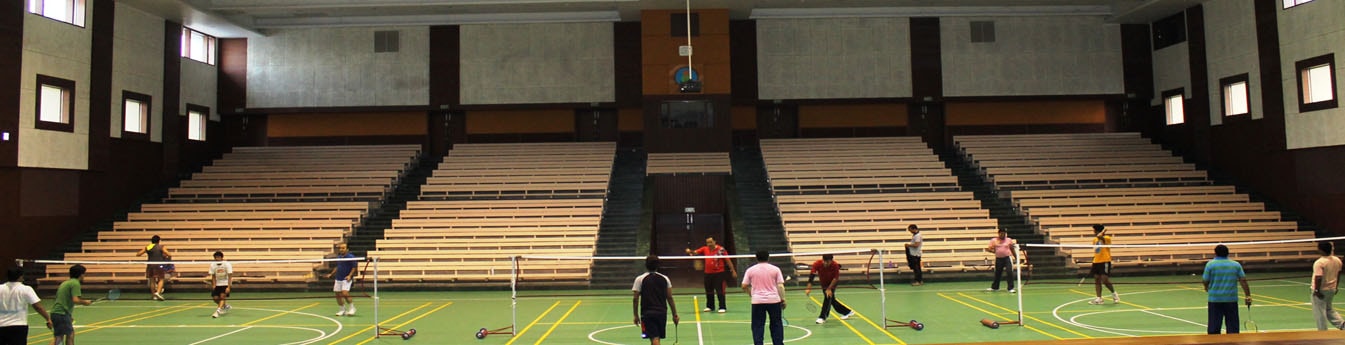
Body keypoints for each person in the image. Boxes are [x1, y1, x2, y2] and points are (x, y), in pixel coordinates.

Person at [1203, 244, 1251, 334]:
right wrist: (1248, 295)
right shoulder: (1236, 265)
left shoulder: (1210, 265)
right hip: (1231, 300)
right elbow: (1243, 281)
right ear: (1228, 253)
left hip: (1214, 300)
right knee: (1233, 328)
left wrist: (1206, 287)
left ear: (1215, 253)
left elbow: (1205, 280)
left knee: (1214, 328)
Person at [741, 251, 785, 345]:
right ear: (768, 258)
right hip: (774, 301)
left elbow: (744, 285)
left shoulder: (750, 270)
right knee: (776, 324)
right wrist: (783, 299)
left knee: (757, 325)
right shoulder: (775, 269)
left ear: (756, 258)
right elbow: (780, 286)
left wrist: (751, 294)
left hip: (757, 301)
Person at [632, 255, 679, 345]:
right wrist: (675, 314)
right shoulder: (665, 279)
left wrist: (635, 315)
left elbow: (635, 298)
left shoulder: (639, 279)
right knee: (655, 338)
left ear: (646, 265)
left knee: (654, 338)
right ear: (658, 265)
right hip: (662, 313)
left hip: (647, 313)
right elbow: (669, 297)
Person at [685, 237, 738, 313]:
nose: (709, 244)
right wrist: (689, 251)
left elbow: (728, 260)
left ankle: (722, 307)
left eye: (710, 242)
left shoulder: (721, 250)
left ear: (715, 242)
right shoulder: (704, 249)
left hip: (719, 273)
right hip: (708, 273)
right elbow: (695, 252)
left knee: (720, 290)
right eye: (707, 242)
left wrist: (733, 270)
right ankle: (710, 306)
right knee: (709, 290)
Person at [0, 266, 52, 344]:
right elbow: (37, 306)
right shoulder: (26, 289)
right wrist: (48, 318)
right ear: (20, 276)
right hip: (19, 326)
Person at [50, 264, 92, 345]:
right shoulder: (75, 283)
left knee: (61, 336)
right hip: (61, 314)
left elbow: (60, 299)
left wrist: (68, 315)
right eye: (84, 274)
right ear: (81, 274)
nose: (84, 276)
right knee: (65, 336)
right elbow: (75, 300)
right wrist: (85, 302)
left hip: (58, 313)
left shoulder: (65, 283)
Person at [806, 254, 853, 324]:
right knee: (832, 300)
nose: (826, 263)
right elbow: (812, 275)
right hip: (823, 283)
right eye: (825, 261)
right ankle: (848, 312)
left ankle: (822, 317)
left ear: (831, 261)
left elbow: (835, 278)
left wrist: (829, 289)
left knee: (827, 298)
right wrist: (808, 288)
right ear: (822, 260)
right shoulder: (817, 264)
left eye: (828, 262)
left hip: (832, 283)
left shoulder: (835, 265)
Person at [1311, 241, 1344, 330]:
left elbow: (1318, 277)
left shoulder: (1319, 262)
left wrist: (1317, 290)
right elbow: (1338, 274)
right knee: (1329, 309)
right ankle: (1342, 325)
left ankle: (1323, 331)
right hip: (1331, 289)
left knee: (1319, 311)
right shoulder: (1337, 260)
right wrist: (1336, 286)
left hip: (1321, 290)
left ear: (1321, 250)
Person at [1089, 225, 1119, 305]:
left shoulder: (1107, 238)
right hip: (1096, 261)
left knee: (1105, 280)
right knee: (1097, 280)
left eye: (1094, 230)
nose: (1093, 231)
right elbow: (1096, 250)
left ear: (1097, 230)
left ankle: (1114, 294)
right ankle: (1099, 298)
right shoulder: (1094, 239)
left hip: (1105, 261)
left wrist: (1103, 232)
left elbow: (1099, 236)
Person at [135, 235, 172, 301]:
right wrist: (165, 256)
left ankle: (154, 296)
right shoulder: (161, 247)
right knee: (161, 279)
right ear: (159, 241)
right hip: (159, 265)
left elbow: (138, 254)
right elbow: (169, 254)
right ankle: (157, 292)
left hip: (150, 265)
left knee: (152, 280)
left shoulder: (148, 247)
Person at [327, 244, 358, 316]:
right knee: (337, 294)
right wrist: (331, 274)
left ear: (347, 249)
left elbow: (354, 267)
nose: (341, 249)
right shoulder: (339, 257)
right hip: (338, 278)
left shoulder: (351, 257)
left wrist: (350, 276)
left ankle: (352, 308)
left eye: (343, 248)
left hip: (346, 278)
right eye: (340, 248)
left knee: (345, 293)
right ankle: (342, 309)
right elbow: (338, 266)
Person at [985, 229, 1017, 293]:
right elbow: (989, 249)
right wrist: (993, 251)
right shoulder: (994, 240)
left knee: (1009, 272)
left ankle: (1010, 288)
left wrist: (1016, 257)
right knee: (997, 273)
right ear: (998, 233)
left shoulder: (1009, 240)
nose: (1003, 235)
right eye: (1001, 233)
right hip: (998, 259)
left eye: (1004, 234)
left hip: (1007, 258)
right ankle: (995, 287)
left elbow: (1012, 249)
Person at [207, 251, 233, 319]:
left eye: (218, 257)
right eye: (216, 257)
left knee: (222, 297)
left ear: (222, 257)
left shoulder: (227, 264)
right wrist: (214, 285)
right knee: (215, 298)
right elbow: (213, 276)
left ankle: (217, 312)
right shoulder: (213, 264)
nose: (217, 258)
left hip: (225, 283)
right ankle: (225, 306)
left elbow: (230, 276)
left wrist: (228, 287)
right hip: (217, 284)